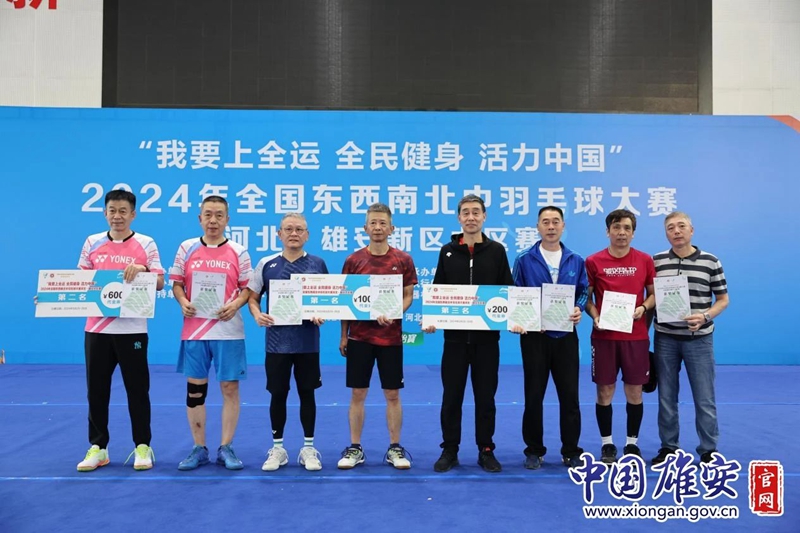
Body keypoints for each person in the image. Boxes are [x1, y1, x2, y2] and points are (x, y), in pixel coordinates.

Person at [72, 189, 165, 472]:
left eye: (123, 211)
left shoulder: (146, 243)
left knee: (138, 390)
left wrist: (143, 269)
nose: (117, 216)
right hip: (97, 330)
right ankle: (98, 447)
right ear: (105, 213)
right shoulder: (92, 242)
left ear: (133, 214)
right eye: (112, 210)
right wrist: (49, 297)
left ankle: (142, 446)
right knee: (96, 391)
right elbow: (79, 281)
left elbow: (160, 282)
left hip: (133, 330)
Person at [425, 194, 514, 473]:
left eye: (476, 212)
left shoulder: (497, 251)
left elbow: (508, 290)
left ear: (484, 217)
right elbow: (438, 290)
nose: (471, 217)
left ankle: (486, 449)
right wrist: (432, 319)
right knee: (451, 397)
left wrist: (515, 317)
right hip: (454, 340)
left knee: (486, 398)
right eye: (466, 212)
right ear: (459, 218)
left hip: (487, 341)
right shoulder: (447, 251)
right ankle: (449, 449)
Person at [170, 195, 252, 471]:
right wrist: (183, 301)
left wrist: (235, 305)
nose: (213, 220)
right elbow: (177, 284)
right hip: (195, 331)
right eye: (208, 214)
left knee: (229, 388)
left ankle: (226, 447)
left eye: (219, 215)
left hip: (228, 331)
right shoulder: (186, 248)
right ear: (200, 218)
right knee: (195, 391)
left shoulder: (239, 251)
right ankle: (199, 448)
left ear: (227, 219)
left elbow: (247, 289)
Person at [337, 203, 417, 470]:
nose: (378, 227)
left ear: (391, 228)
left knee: (392, 393)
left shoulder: (403, 260)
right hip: (359, 338)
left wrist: (394, 312)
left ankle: (395, 447)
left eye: (383, 223)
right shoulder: (353, 260)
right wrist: (344, 335)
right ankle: (355, 447)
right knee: (358, 393)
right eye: (373, 223)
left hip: (390, 339)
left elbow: (408, 296)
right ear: (365, 227)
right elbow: (346, 301)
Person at [248, 213, 328, 471]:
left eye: (300, 229)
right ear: (279, 234)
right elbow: (252, 297)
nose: (294, 234)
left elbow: (327, 300)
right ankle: (278, 449)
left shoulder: (318, 264)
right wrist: (257, 314)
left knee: (307, 393)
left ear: (307, 235)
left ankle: (308, 448)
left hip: (307, 342)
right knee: (278, 393)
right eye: (289, 229)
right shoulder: (267, 264)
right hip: (276, 343)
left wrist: (321, 313)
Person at [511, 206, 588, 469]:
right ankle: (534, 450)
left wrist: (578, 308)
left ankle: (571, 450)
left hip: (566, 335)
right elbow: (515, 292)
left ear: (563, 226)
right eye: (546, 222)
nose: (551, 226)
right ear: (538, 227)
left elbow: (584, 291)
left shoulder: (575, 259)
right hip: (535, 337)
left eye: (556, 221)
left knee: (570, 396)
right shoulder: (524, 259)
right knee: (533, 395)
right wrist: (525, 320)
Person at [651, 211, 729, 465]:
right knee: (666, 396)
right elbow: (650, 298)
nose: (676, 231)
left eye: (681, 226)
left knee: (704, 397)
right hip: (665, 338)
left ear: (691, 230)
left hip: (699, 340)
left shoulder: (710, 261)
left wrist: (705, 316)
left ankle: (708, 449)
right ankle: (668, 447)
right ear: (666, 233)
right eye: (670, 228)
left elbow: (723, 299)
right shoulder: (657, 261)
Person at [585, 209, 655, 463]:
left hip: (636, 337)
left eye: (627, 228)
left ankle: (632, 444)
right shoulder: (593, 261)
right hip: (604, 337)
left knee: (634, 391)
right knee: (605, 390)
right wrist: (595, 316)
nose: (621, 233)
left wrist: (643, 308)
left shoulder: (645, 260)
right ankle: (607, 445)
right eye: (616, 227)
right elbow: (586, 299)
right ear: (608, 231)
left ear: (633, 233)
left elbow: (653, 295)